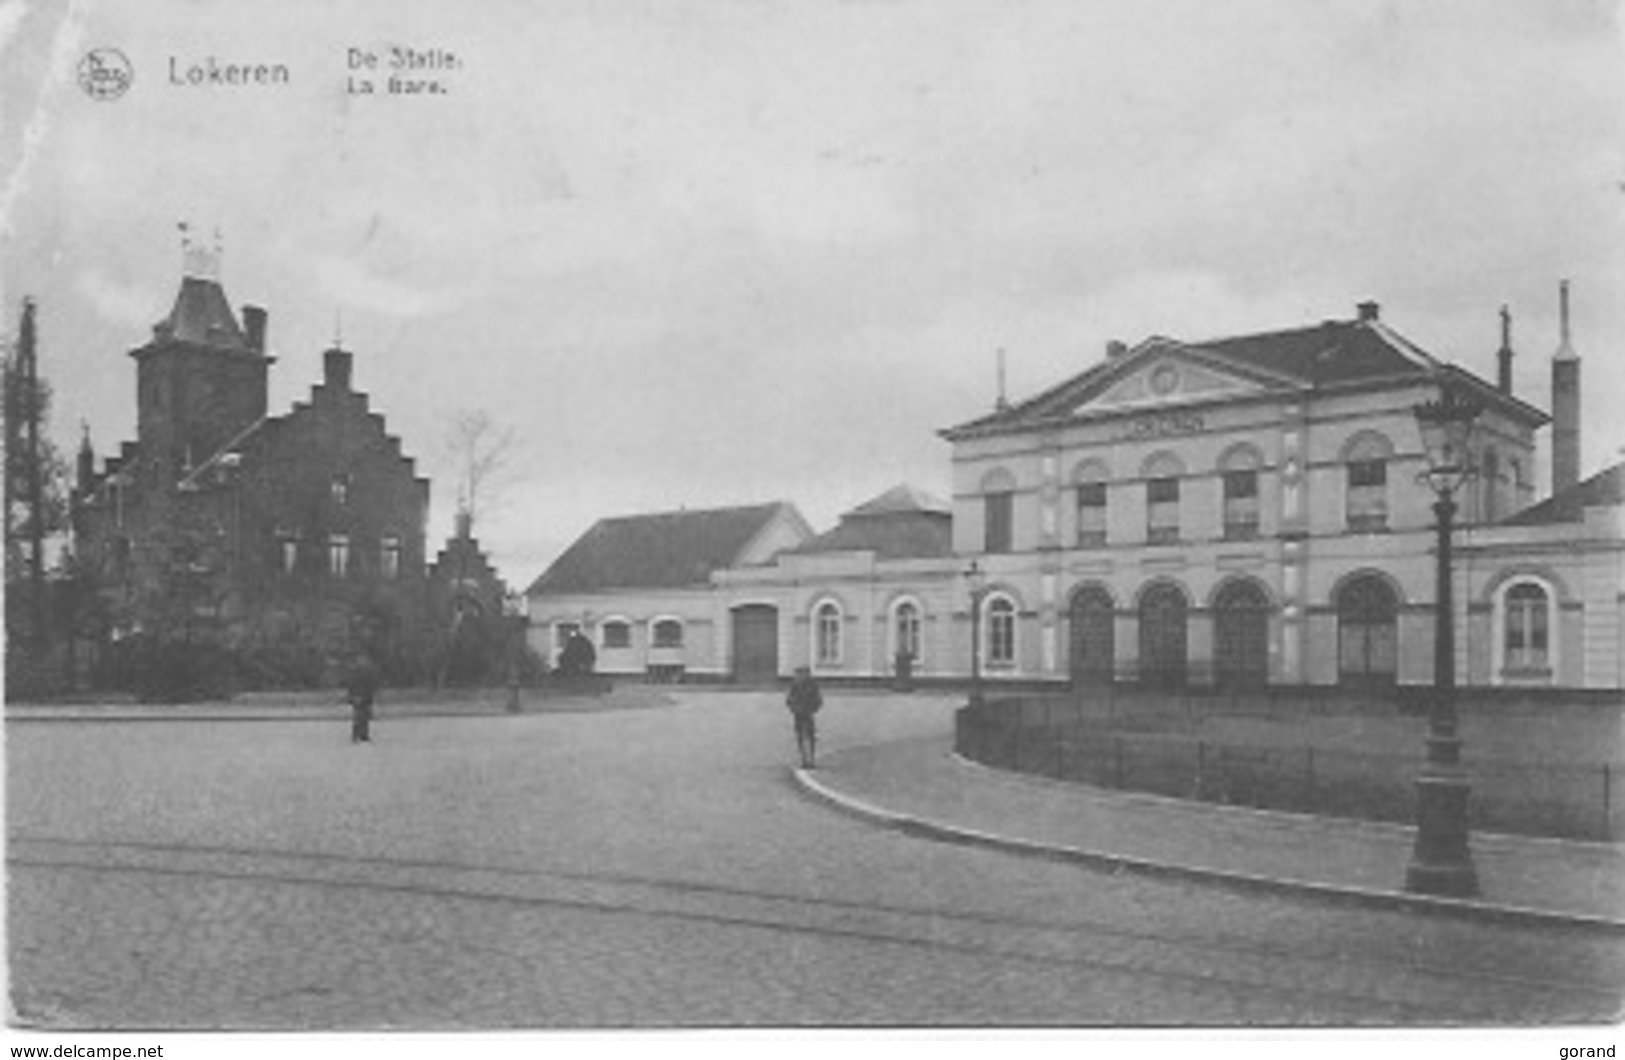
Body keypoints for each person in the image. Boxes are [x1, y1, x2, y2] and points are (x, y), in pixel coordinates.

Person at [786, 665, 823, 769]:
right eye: (798, 674)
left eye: (802, 674)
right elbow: (789, 700)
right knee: (801, 737)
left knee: (810, 737)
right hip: (798, 715)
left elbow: (818, 700)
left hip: (808, 714)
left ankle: (811, 760)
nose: (799, 676)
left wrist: (812, 710)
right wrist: (795, 709)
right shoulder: (795, 685)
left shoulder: (812, 685)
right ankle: (804, 760)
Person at [345, 652, 380, 743]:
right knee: (359, 717)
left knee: (364, 717)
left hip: (363, 698)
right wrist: (354, 697)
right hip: (359, 698)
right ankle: (357, 735)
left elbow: (368, 687)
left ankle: (362, 735)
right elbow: (352, 688)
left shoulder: (363, 674)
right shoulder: (355, 675)